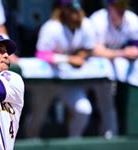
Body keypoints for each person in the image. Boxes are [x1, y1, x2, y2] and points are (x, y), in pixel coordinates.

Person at [26, 0, 95, 138]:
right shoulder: (52, 27)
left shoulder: (86, 24)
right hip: (47, 81)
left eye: (77, 7)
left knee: (84, 110)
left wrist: (81, 54)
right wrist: (68, 59)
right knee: (39, 115)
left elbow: (89, 48)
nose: (74, 12)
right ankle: (29, 139)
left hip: (67, 81)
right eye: (70, 8)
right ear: (62, 10)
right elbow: (41, 54)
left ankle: (74, 142)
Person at [89, 0, 138, 138]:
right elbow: (93, 50)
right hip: (91, 68)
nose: (121, 9)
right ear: (110, 7)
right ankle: (109, 132)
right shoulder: (98, 20)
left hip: (116, 67)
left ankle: (110, 133)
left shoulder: (132, 19)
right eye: (117, 6)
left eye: (124, 6)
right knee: (104, 99)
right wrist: (121, 53)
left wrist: (133, 51)